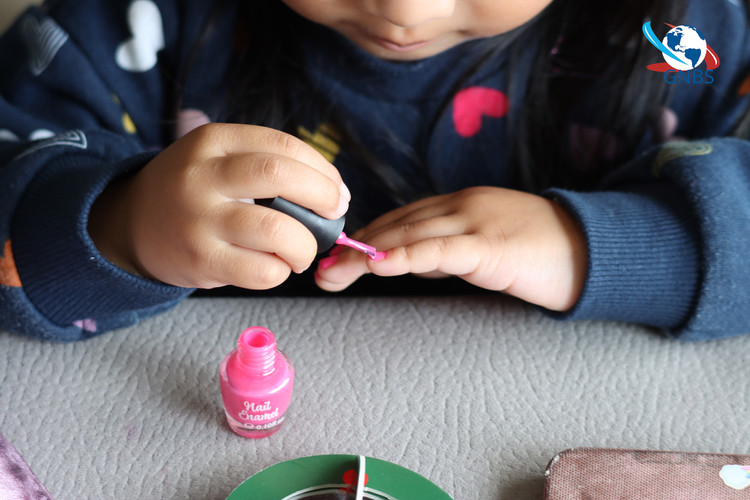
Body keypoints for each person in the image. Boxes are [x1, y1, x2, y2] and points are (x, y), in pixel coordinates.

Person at [0, 0, 748, 342]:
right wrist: (118, 227)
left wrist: (597, 247)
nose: (408, 12)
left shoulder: (684, 34)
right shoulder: (126, 23)